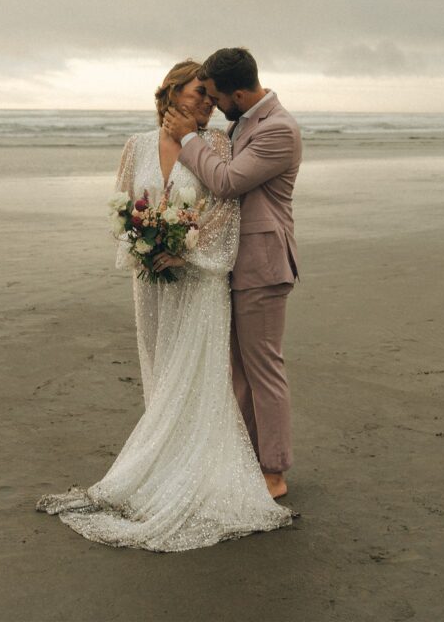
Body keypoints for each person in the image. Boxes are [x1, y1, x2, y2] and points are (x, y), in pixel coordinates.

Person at [36, 59, 293, 552]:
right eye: (198, 92)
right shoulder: (135, 146)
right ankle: (164, 460)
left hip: (199, 281)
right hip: (151, 279)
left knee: (197, 370)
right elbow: (123, 205)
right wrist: (142, 247)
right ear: (171, 92)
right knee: (158, 364)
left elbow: (223, 212)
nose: (207, 103)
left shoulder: (219, 145)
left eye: (211, 95)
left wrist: (186, 249)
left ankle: (216, 469)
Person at [163, 48, 302, 501]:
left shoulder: (278, 129)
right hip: (233, 261)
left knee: (263, 369)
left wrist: (186, 140)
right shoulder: (241, 123)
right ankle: (248, 460)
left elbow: (225, 181)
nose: (215, 105)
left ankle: (274, 471)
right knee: (239, 371)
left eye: (219, 97)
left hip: (262, 264)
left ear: (239, 93)